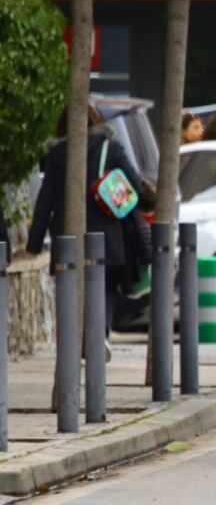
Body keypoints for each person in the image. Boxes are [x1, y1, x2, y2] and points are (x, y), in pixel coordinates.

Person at [27, 105, 146, 360]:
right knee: (106, 287)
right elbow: (134, 185)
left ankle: (80, 338)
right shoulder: (111, 147)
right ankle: (100, 334)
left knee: (71, 287)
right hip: (108, 237)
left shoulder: (58, 154)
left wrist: (34, 244)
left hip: (67, 239)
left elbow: (45, 200)